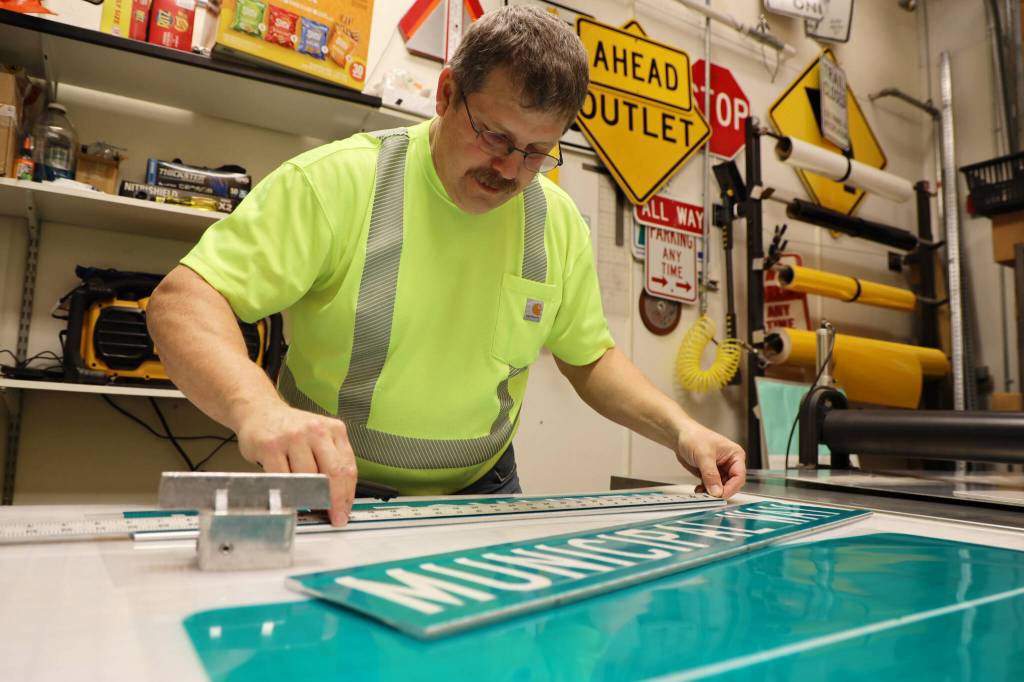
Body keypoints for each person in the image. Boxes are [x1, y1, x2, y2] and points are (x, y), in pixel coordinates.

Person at [147, 6, 746, 526]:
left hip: (484, 494)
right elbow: (184, 302)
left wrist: (682, 430)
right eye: (495, 136)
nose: (511, 169)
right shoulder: (337, 182)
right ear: (445, 95)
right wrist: (260, 410)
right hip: (328, 488)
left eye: (538, 151)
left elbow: (590, 357)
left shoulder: (556, 223)